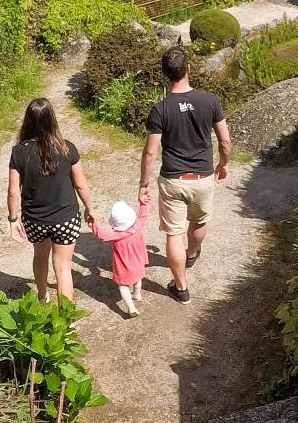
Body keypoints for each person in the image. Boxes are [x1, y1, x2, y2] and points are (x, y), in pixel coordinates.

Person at [139, 46, 232, 305]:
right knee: (200, 222)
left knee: (173, 234)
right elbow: (224, 140)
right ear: (188, 69)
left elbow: (150, 153)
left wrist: (143, 184)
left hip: (173, 180)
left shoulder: (160, 109)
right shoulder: (209, 100)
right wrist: (223, 164)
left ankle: (181, 288)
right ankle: (191, 254)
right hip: (202, 178)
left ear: (165, 75)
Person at [7, 97, 95, 302]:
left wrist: (13, 219)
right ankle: (65, 318)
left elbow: (13, 191)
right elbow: (80, 184)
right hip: (66, 218)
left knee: (40, 256)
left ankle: (41, 296)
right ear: (52, 120)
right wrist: (90, 208)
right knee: (63, 267)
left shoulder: (19, 152)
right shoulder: (67, 148)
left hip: (35, 219)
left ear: (27, 121)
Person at [87, 191, 151, 317]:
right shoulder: (138, 227)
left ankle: (131, 308)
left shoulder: (117, 236)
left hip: (124, 267)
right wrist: (144, 201)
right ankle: (137, 294)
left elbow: (102, 235)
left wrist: (93, 224)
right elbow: (143, 215)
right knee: (138, 279)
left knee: (123, 286)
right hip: (138, 263)